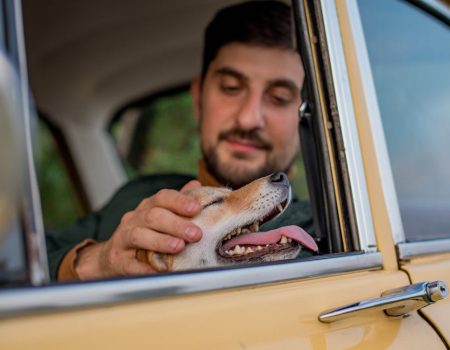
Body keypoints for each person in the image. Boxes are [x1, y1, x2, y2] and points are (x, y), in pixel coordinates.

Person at [46, 0, 314, 281]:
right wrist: (97, 262)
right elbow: (23, 267)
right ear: (198, 98)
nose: (248, 119)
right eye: (231, 88)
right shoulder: (135, 197)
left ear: (306, 116)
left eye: (280, 98)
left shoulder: (337, 229)